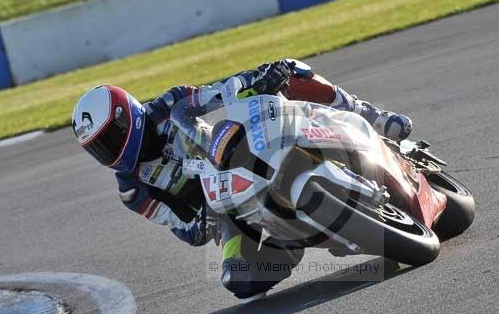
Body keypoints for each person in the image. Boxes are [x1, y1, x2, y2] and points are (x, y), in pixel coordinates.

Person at [72, 59, 412, 301]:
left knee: (289, 71)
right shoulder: (132, 190)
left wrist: (254, 78)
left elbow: (220, 93)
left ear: (125, 116)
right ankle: (292, 239)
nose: (110, 152)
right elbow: (186, 231)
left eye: (110, 139)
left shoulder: (169, 104)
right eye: (99, 149)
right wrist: (203, 215)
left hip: (235, 151)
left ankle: (374, 118)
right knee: (242, 281)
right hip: (224, 209)